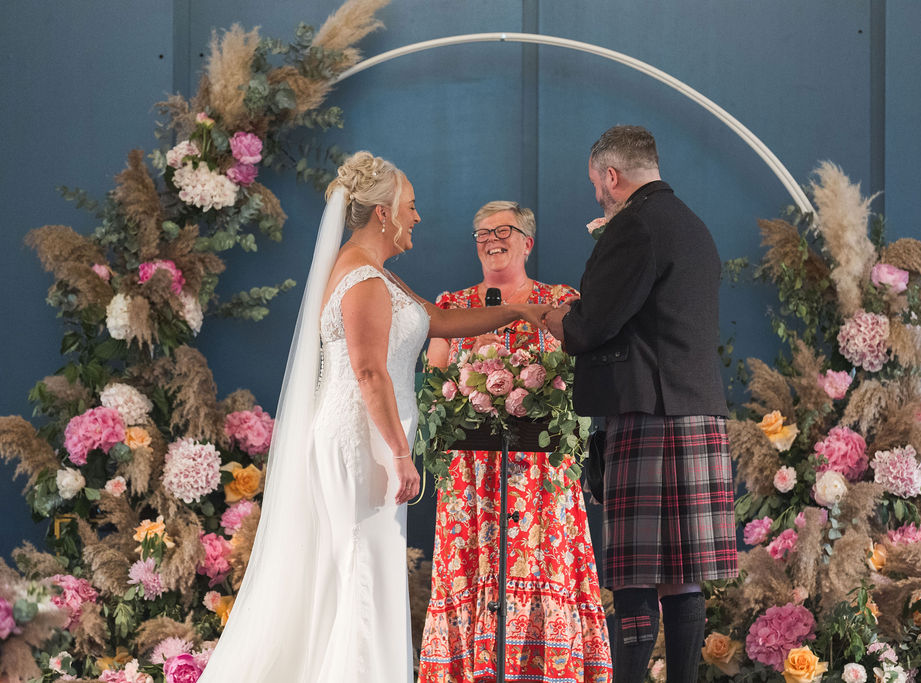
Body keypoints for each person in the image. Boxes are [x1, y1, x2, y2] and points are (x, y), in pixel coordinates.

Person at [197, 153, 549, 683]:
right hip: (363, 442)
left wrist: (520, 312)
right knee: (364, 566)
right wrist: (401, 454)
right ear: (384, 212)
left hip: (371, 439)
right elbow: (368, 373)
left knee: (366, 567)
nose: (418, 217)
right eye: (411, 206)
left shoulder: (376, 273)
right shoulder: (362, 277)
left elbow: (441, 320)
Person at [545, 126, 739, 683]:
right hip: (696, 410)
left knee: (635, 575)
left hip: (652, 416)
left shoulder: (634, 225)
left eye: (595, 184)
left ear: (612, 175)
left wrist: (553, 317)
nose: (596, 197)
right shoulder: (693, 225)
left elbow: (591, 327)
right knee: (683, 575)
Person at [418, 202, 612, 683]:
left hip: (542, 479)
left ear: (528, 241)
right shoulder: (452, 306)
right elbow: (431, 384)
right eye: (481, 232)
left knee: (547, 566)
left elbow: (583, 377)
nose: (490, 238)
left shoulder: (560, 299)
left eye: (503, 229)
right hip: (470, 479)